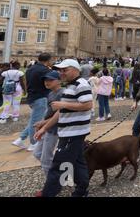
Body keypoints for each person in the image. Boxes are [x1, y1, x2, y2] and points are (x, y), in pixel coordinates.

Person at [34, 59, 93, 197]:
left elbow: (88, 105)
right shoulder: (71, 86)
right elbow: (61, 112)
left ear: (75, 70)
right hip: (70, 132)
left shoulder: (81, 84)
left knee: (59, 166)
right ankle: (82, 191)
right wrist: (45, 127)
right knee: (78, 163)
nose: (61, 73)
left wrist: (63, 105)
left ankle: (49, 193)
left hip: (73, 133)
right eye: (60, 70)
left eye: (64, 70)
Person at [12, 53, 51, 152]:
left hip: (32, 97)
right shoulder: (45, 70)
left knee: (34, 119)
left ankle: (20, 139)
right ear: (48, 60)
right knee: (36, 121)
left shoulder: (30, 69)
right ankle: (33, 143)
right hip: (40, 97)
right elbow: (49, 84)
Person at [33, 71, 64, 181]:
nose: (47, 82)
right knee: (37, 153)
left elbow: (60, 115)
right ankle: (59, 174)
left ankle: (52, 183)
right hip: (47, 128)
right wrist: (41, 123)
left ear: (59, 81)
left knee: (46, 159)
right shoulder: (50, 93)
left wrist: (43, 124)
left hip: (54, 129)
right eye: (45, 80)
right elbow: (48, 112)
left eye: (50, 80)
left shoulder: (62, 93)